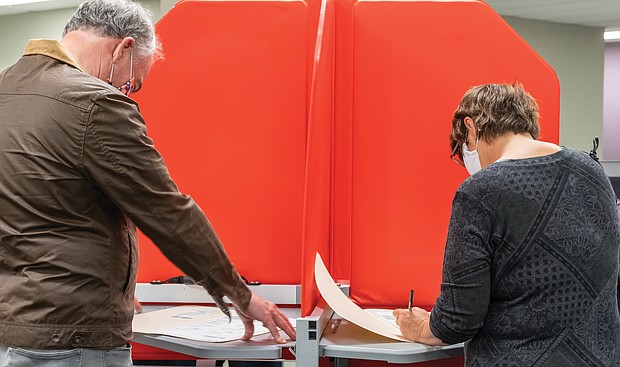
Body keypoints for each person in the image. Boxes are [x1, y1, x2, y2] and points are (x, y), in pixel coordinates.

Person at [0, 0, 295, 365]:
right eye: (130, 84)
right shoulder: (93, 102)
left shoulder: (6, 87)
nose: (124, 92)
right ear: (124, 48)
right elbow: (165, 211)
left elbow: (37, 209)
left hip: (14, 329)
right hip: (72, 338)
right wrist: (239, 293)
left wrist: (106, 287)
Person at [393, 83, 620, 366]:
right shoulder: (592, 171)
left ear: (471, 127)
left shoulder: (481, 191)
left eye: (463, 150)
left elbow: (457, 320)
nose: (468, 162)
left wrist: (420, 327)